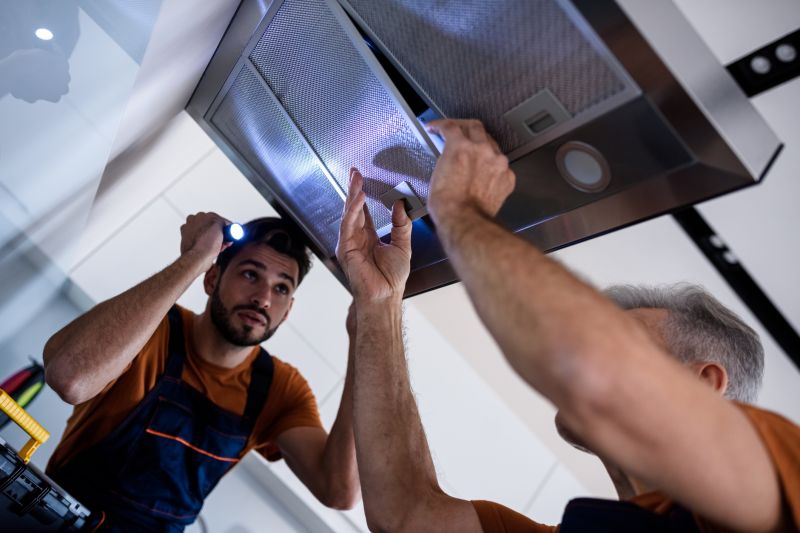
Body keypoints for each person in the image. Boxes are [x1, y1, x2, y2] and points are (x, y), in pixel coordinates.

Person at [336, 119, 800, 532]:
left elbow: (589, 375)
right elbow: (407, 514)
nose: (586, 352)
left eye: (621, 345)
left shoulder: (778, 476)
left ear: (705, 385)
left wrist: (459, 211)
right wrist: (380, 302)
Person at [43, 214, 359, 531]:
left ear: (287, 311)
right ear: (211, 279)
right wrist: (194, 258)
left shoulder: (280, 389)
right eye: (251, 274)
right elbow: (69, 377)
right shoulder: (149, 329)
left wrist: (364, 339)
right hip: (53, 521)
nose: (263, 298)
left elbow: (340, 491)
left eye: (280, 288)